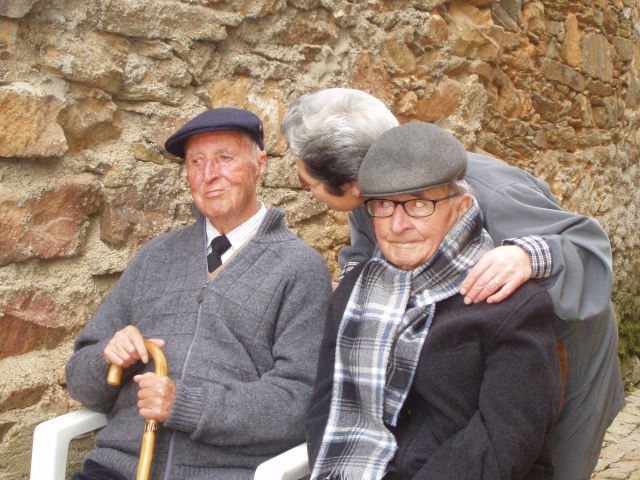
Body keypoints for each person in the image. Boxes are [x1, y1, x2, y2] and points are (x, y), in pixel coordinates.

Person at [281, 88, 625, 480]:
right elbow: (364, 254)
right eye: (385, 207)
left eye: (309, 184)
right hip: (459, 396)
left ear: (353, 184)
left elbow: (592, 255)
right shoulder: (378, 202)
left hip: (561, 349)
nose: (397, 221)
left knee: (554, 463)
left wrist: (530, 255)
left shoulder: (485, 190)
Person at [65, 108, 333, 479]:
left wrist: (184, 405)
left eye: (225, 158)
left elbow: (299, 401)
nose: (209, 175)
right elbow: (81, 382)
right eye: (197, 162)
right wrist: (108, 359)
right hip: (117, 467)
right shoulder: (155, 256)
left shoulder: (300, 268)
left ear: (260, 165)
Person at [306, 121, 563, 479]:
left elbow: (505, 440)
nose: (398, 224)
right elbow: (326, 405)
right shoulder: (353, 295)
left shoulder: (511, 305)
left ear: (461, 209)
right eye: (383, 205)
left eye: (418, 204)